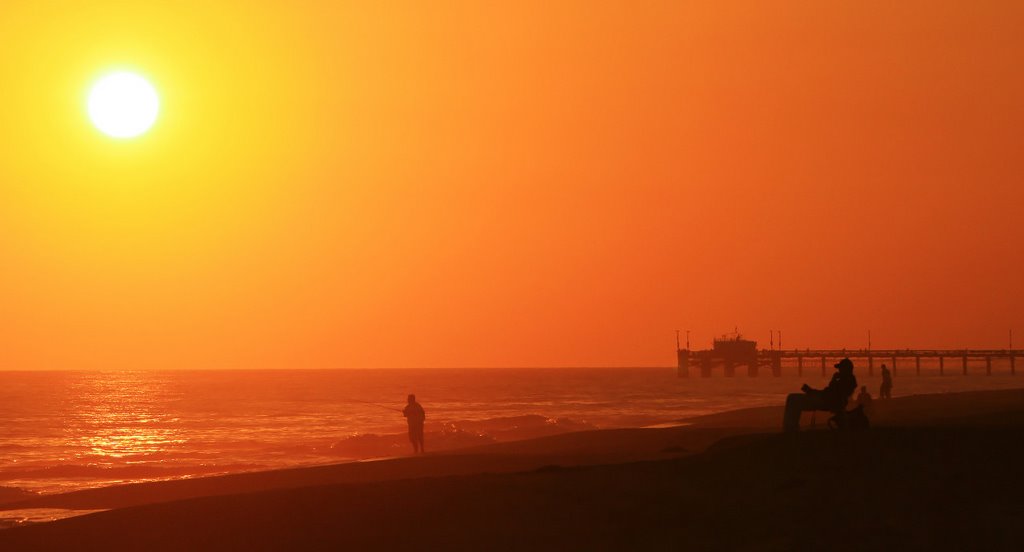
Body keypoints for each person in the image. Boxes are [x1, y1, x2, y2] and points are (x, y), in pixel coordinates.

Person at [783, 358, 858, 432]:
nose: (839, 370)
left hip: (825, 402)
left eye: (840, 368)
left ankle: (790, 427)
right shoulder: (848, 380)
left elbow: (830, 394)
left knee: (792, 399)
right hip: (825, 400)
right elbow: (830, 393)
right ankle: (791, 426)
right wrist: (812, 391)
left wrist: (833, 379)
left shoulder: (845, 381)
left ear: (845, 369)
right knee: (792, 398)